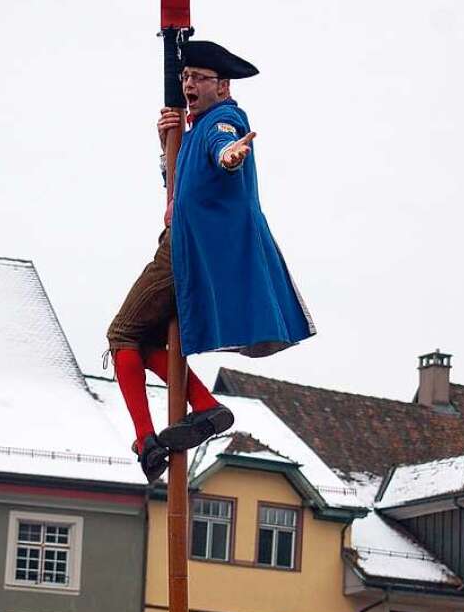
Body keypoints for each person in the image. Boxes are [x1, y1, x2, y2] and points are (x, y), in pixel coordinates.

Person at [107, 39, 315, 482]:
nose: (188, 85)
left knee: (122, 334)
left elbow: (226, 153)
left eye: (198, 78)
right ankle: (204, 405)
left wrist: (230, 156)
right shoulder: (195, 127)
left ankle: (146, 440)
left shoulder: (223, 120)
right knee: (144, 343)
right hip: (191, 244)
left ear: (222, 86)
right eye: (185, 77)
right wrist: (167, 142)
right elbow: (181, 184)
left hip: (185, 248)